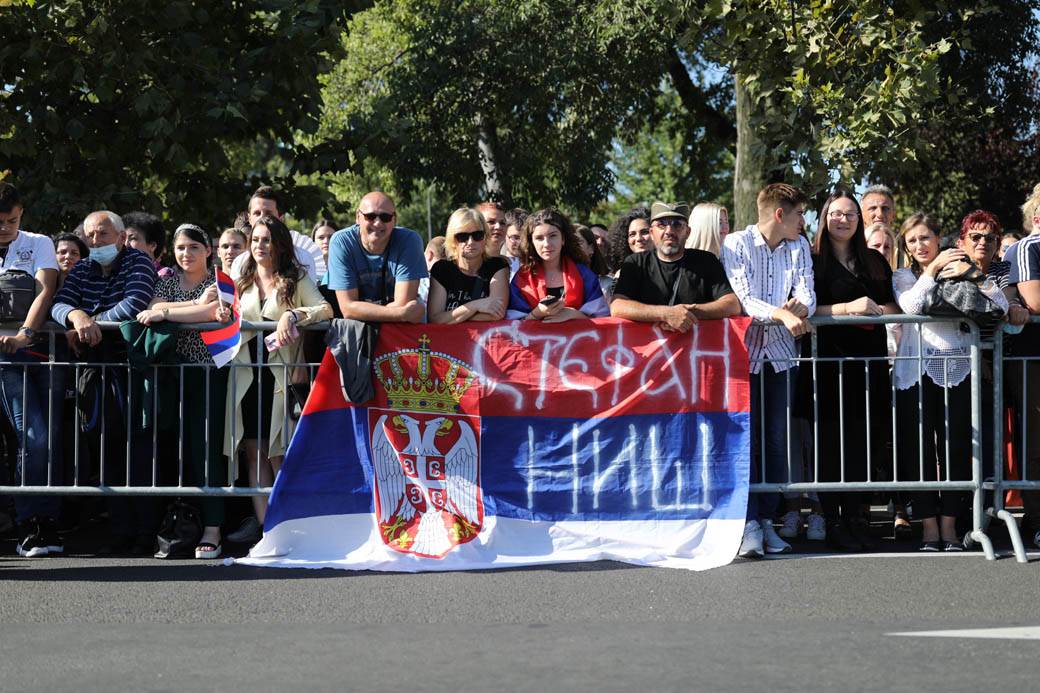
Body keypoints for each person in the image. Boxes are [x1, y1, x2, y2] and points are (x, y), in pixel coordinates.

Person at [893, 213, 1007, 551]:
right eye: (912, 241)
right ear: (907, 247)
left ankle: (951, 527)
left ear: (938, 238)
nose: (919, 245)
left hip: (958, 369)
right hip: (914, 373)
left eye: (925, 238)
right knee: (919, 452)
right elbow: (912, 304)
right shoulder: (903, 275)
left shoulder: (962, 266)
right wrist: (933, 270)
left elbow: (998, 304)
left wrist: (972, 273)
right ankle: (929, 527)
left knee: (958, 449)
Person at [51, 210, 158, 554]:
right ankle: (120, 531)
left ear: (122, 236)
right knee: (105, 450)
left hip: (132, 368)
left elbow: (135, 303)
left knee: (139, 449)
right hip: (94, 370)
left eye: (103, 234)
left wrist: (92, 323)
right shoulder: (82, 268)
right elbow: (60, 303)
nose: (96, 241)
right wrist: (76, 316)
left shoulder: (138, 262)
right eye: (90, 235)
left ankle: (145, 531)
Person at [225, 215, 332, 544]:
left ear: (280, 244)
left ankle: (290, 524)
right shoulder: (240, 280)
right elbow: (220, 311)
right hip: (245, 375)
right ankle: (268, 528)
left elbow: (325, 310)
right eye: (255, 240)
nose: (259, 246)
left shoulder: (295, 279)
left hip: (281, 376)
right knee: (254, 452)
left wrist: (294, 314)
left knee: (279, 452)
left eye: (266, 240)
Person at [722, 183, 815, 558]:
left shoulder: (800, 246)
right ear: (780, 214)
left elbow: (808, 293)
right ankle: (747, 523)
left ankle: (767, 522)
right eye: (798, 215)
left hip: (780, 358)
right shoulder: (736, 244)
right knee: (746, 441)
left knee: (776, 441)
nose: (802, 222)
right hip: (742, 359)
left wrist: (800, 309)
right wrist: (780, 311)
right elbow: (743, 299)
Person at [803, 190, 899, 551]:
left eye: (850, 214)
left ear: (860, 221)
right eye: (836, 213)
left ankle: (859, 514)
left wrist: (882, 310)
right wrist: (847, 308)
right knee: (830, 443)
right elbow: (809, 310)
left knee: (864, 441)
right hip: (829, 364)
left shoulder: (874, 261)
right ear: (824, 218)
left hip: (869, 363)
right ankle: (833, 518)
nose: (843, 219)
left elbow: (892, 306)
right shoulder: (811, 261)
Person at [135, 223, 231, 559]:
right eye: (180, 248)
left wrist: (166, 312)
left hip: (209, 374)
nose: (186, 254)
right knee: (174, 449)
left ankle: (213, 527)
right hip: (171, 374)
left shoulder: (219, 281)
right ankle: (178, 521)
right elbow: (151, 311)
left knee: (206, 447)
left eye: (193, 247)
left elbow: (209, 313)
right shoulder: (167, 280)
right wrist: (179, 310)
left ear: (208, 250)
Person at [0, 182, 64, 556]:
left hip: (42, 352)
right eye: (1, 222)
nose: (7, 227)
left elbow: (45, 289)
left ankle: (46, 520)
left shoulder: (38, 242)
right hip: (7, 361)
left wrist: (25, 333)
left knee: (48, 441)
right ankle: (29, 521)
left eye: (13, 220)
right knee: (33, 437)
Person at [610, 201, 740, 332]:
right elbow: (617, 306)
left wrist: (689, 313)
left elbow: (732, 304)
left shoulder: (706, 261)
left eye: (677, 224)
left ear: (688, 232)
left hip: (696, 350)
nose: (669, 231)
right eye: (661, 225)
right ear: (651, 232)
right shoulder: (635, 263)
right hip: (649, 351)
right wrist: (665, 314)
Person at [1001, 182, 1040, 548]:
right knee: (1035, 440)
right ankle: (1037, 518)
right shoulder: (1028, 246)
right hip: (1031, 359)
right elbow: (1035, 299)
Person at [326, 192, 427, 323]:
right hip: (359, 330)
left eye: (385, 217)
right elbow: (348, 309)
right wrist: (401, 314)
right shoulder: (341, 242)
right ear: (358, 217)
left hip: (399, 330)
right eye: (370, 216)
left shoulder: (409, 241)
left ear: (394, 219)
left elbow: (404, 303)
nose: (378, 223)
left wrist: (362, 310)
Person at [507, 208, 609, 321]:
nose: (546, 244)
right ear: (532, 243)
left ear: (563, 239)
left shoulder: (584, 275)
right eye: (539, 238)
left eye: (553, 236)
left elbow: (602, 320)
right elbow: (512, 327)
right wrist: (536, 314)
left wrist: (575, 315)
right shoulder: (521, 280)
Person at [427, 208, 509, 324]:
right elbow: (435, 319)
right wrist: (476, 305)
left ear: (485, 237)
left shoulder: (497, 266)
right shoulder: (441, 269)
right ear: (453, 240)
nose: (470, 242)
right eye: (462, 237)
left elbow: (496, 314)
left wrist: (453, 317)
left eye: (477, 235)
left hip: (485, 340)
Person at [232, 186, 323, 281]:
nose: (261, 218)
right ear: (249, 218)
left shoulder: (302, 259)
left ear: (281, 218)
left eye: (268, 214)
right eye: (257, 213)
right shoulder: (239, 263)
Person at [124, 211, 174, 279]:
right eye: (123, 238)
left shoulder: (164, 275)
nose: (126, 244)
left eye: (133, 238)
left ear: (152, 246)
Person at [605, 206, 651, 276]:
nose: (638, 238)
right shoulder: (621, 274)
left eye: (644, 232)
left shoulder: (668, 268)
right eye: (632, 234)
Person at [575, 224, 612, 299]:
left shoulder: (607, 285)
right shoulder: (559, 281)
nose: (573, 246)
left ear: (591, 248)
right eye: (570, 243)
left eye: (579, 242)